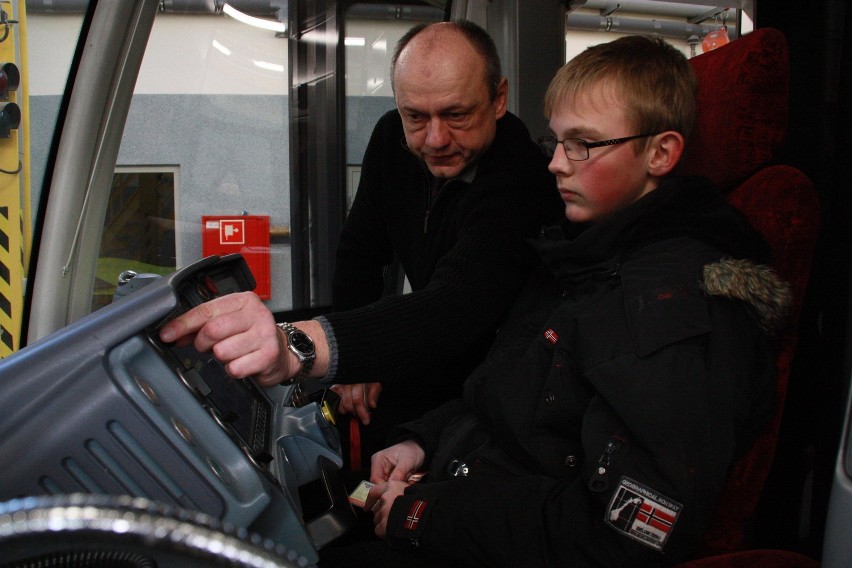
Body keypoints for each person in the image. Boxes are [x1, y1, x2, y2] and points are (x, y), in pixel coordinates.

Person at [322, 35, 791, 567]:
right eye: (558, 142)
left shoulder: (668, 310)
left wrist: (424, 514)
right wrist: (422, 443)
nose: (555, 166)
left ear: (660, 152)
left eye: (584, 145)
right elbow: (501, 391)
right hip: (467, 491)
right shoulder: (577, 259)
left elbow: (624, 534)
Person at [157, 21, 562, 467]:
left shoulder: (524, 178)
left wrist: (302, 348)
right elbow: (360, 257)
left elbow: (456, 307)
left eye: (456, 115)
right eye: (416, 116)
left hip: (500, 373)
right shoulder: (392, 139)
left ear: (499, 98)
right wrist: (353, 369)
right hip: (434, 346)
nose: (435, 139)